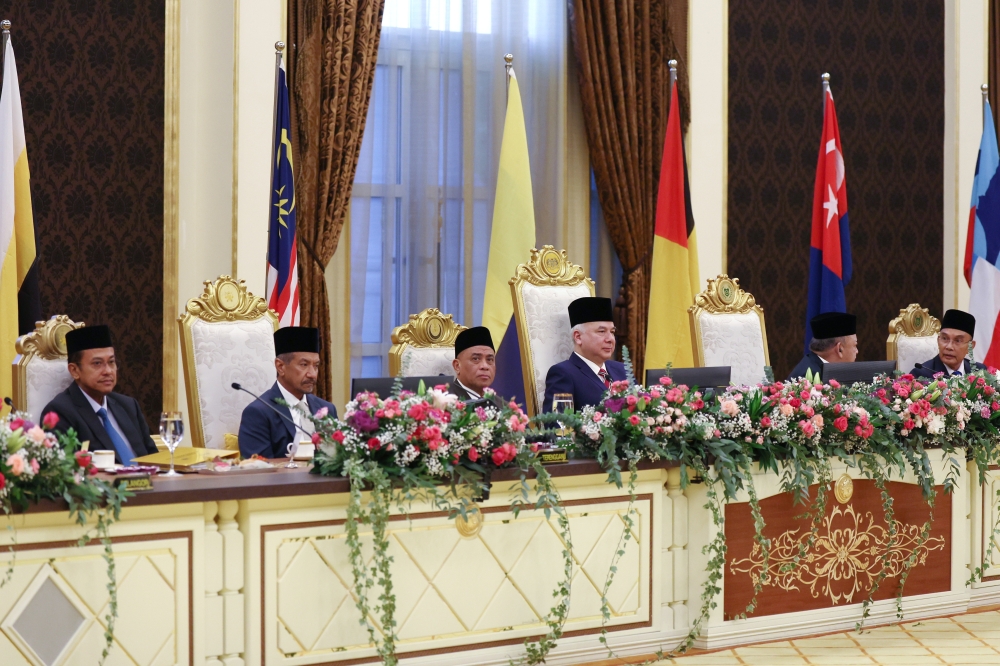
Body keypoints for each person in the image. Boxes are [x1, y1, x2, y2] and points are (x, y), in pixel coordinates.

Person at [42, 325, 159, 464]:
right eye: (97, 363)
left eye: (111, 362)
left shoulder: (128, 406)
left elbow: (154, 458)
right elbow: (67, 471)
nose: (108, 371)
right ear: (74, 371)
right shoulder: (60, 412)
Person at [238, 326, 338, 459]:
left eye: (316, 366)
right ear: (281, 367)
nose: (313, 374)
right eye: (304, 365)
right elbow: (260, 472)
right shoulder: (258, 413)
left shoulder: (326, 409)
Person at [543, 296, 627, 412]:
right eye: (602, 331)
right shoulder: (563, 374)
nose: (610, 339)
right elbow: (559, 427)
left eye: (612, 332)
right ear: (578, 337)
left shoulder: (622, 370)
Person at [911, 309, 986, 378]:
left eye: (958, 341)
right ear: (938, 340)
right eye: (944, 338)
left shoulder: (981, 372)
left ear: (970, 346)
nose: (949, 347)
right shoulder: (920, 375)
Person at [788, 312, 858, 380]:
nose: (857, 351)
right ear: (839, 349)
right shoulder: (809, 380)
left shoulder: (815, 365)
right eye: (855, 345)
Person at [450, 326, 496, 401]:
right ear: (457, 366)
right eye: (476, 359)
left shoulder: (503, 407)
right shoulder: (444, 405)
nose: (484, 366)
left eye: (489, 359)